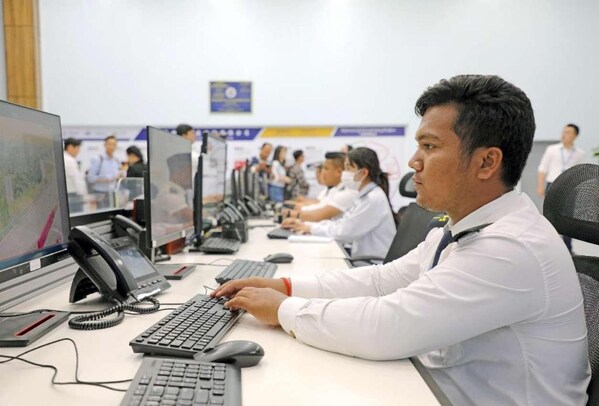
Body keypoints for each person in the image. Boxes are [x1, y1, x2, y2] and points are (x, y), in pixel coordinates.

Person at [212, 75, 590, 405]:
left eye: (430, 146)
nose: (413, 161)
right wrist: (284, 286)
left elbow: (387, 327)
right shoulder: (462, 230)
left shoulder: (511, 247)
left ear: (487, 162)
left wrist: (283, 309)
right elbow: (382, 280)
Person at [283, 147, 396, 257]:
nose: (344, 173)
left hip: (371, 262)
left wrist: (309, 227)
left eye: (348, 169)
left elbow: (344, 232)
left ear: (363, 173)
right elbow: (341, 224)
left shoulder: (372, 199)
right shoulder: (364, 196)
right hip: (362, 259)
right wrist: (306, 225)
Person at [537, 123, 586, 253]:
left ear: (575, 135)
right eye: (563, 132)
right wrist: (540, 186)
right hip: (553, 185)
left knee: (569, 219)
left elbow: (579, 173)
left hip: (571, 188)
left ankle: (568, 248)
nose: (564, 134)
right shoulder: (552, 149)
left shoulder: (579, 153)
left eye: (568, 132)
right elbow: (542, 169)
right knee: (550, 216)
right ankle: (549, 247)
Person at [284, 152, 357, 222]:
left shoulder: (347, 193)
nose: (323, 172)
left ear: (338, 172)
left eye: (326, 168)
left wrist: (294, 212)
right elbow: (320, 205)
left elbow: (319, 214)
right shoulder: (333, 190)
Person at [86, 135, 122, 209]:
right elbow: (91, 178)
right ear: (105, 145)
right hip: (100, 193)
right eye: (109, 144)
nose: (112, 147)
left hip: (113, 192)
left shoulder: (116, 160)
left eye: (114, 144)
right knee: (102, 213)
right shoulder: (98, 159)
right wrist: (107, 180)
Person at [63, 137, 87, 213]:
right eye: (78, 148)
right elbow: (76, 180)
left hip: (68, 194)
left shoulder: (63, 158)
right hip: (73, 195)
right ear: (70, 147)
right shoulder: (69, 160)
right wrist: (84, 196)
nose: (78, 151)